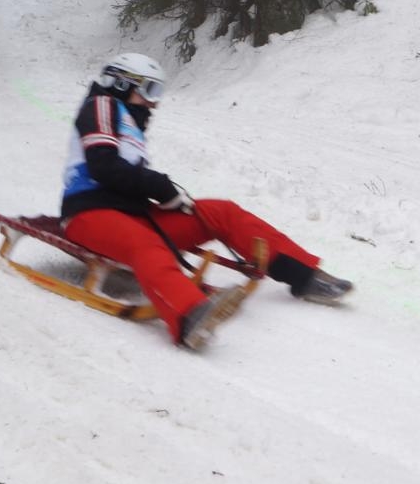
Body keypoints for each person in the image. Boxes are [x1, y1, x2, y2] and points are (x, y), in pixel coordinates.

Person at [60, 52, 353, 351]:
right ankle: (191, 315)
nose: (154, 102)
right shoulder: (102, 105)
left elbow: (128, 177)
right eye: (149, 90)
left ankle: (305, 275)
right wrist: (161, 187)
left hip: (135, 215)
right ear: (121, 83)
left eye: (158, 92)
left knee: (220, 212)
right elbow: (104, 166)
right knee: (146, 246)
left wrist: (172, 199)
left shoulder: (128, 121)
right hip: (88, 214)